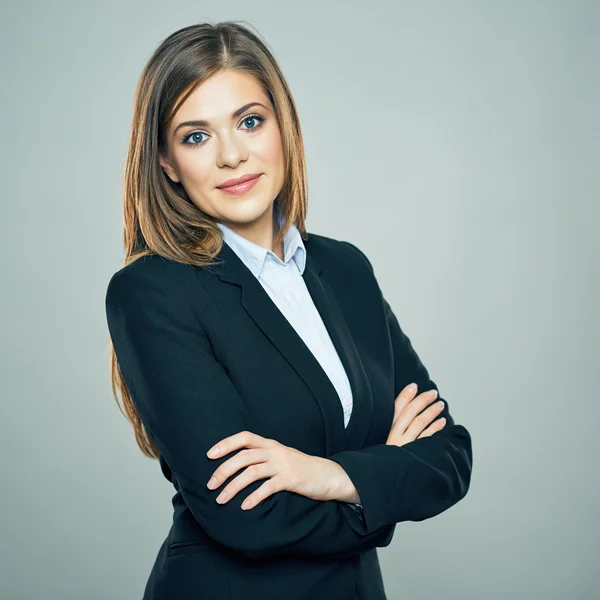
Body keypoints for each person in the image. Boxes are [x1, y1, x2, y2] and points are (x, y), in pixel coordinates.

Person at [104, 20, 473, 600]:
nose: (232, 155)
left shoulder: (346, 268)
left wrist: (329, 476)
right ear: (167, 162)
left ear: (283, 127)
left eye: (250, 121)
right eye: (196, 136)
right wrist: (383, 476)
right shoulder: (153, 291)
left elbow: (449, 456)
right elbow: (248, 518)